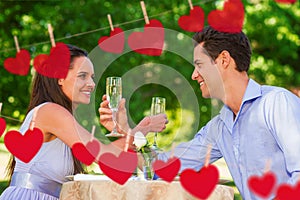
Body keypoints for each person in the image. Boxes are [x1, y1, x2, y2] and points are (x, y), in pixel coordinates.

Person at [101, 26, 300, 199]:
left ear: (224, 60)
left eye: (199, 65)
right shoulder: (219, 127)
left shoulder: (276, 103)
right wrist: (128, 134)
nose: (194, 75)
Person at [0, 44, 168, 200]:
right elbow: (103, 156)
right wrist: (142, 130)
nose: (91, 84)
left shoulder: (63, 117)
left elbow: (134, 165)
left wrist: (124, 130)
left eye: (92, 77)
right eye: (82, 76)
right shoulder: (50, 111)